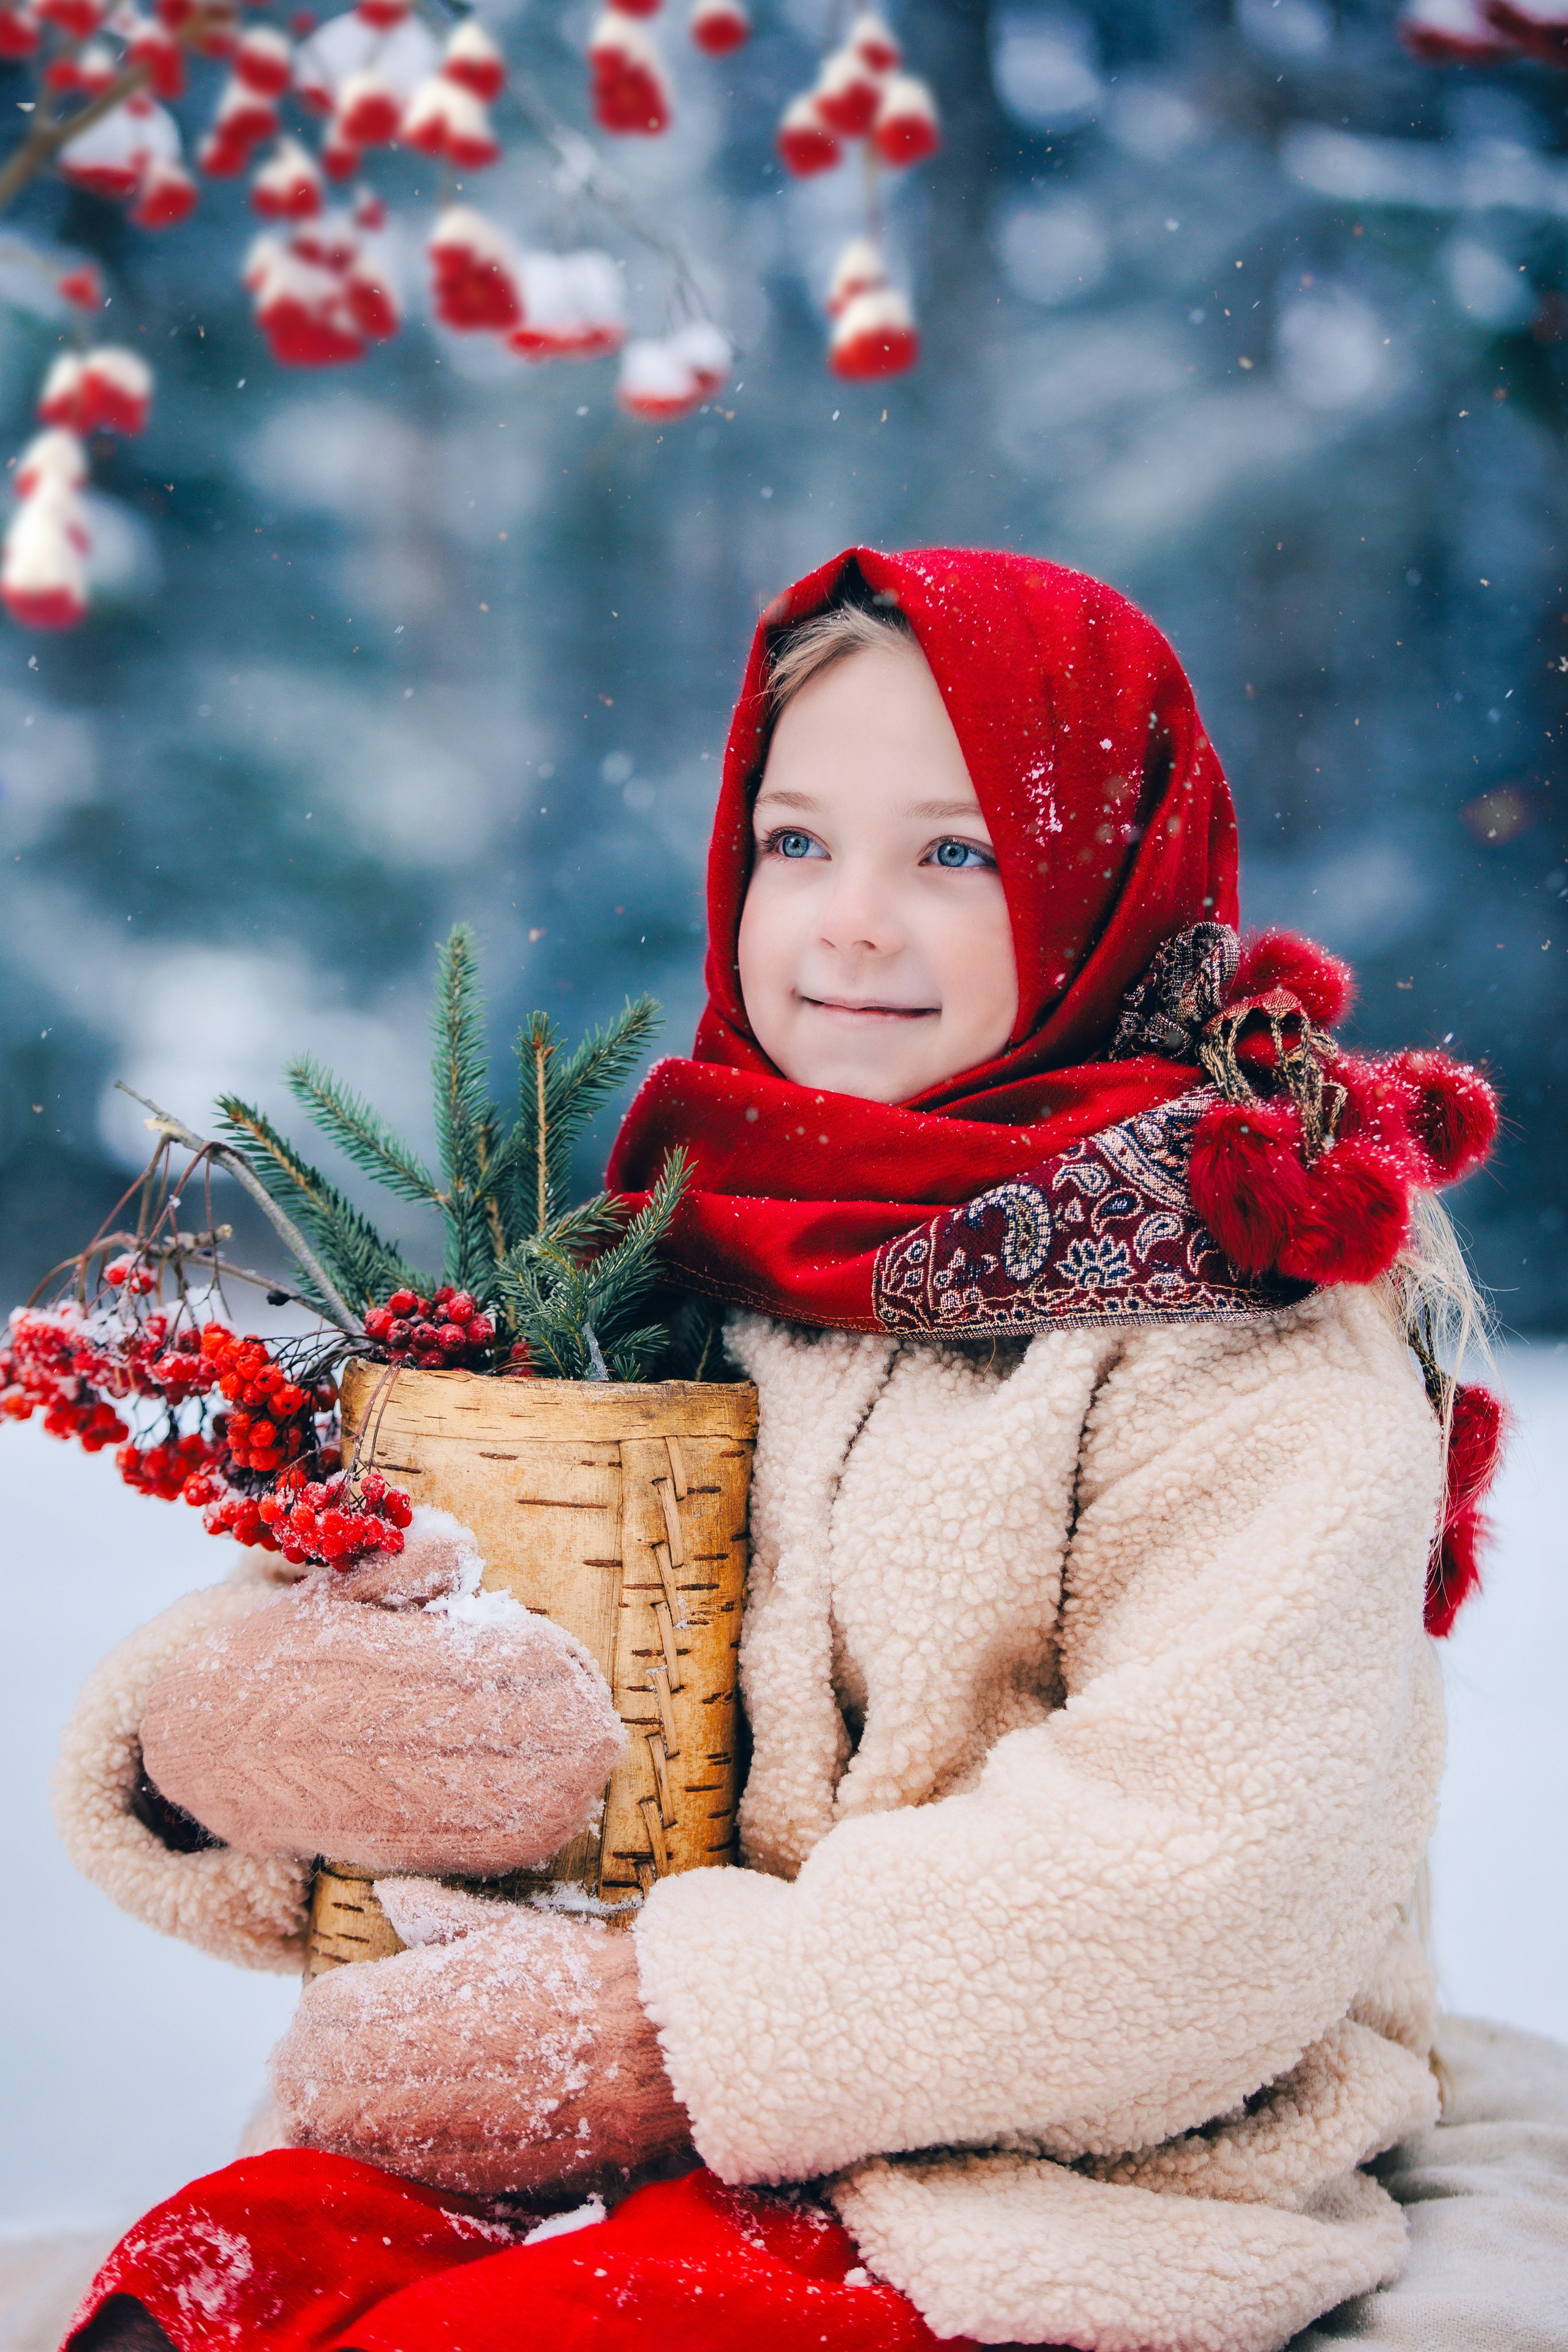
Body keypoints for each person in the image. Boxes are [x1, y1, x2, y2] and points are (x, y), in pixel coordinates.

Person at [56, 547, 1529, 2352]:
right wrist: (236, 1737)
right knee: (199, 2295)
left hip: (1038, 2165)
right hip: (611, 2129)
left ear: (1110, 882)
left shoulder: (1238, 1335)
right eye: (799, 842)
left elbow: (1202, 1878)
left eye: (957, 853)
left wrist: (668, 2034)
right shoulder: (690, 1236)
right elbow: (444, 1610)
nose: (848, 919)